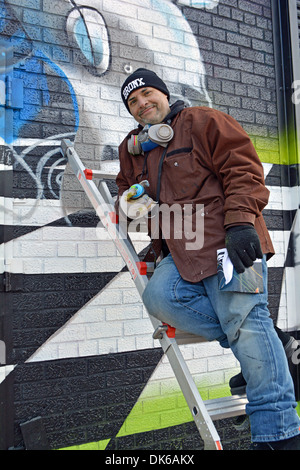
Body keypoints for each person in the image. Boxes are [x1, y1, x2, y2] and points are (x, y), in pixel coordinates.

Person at [116, 68, 300, 450]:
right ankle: (273, 342)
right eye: (133, 102)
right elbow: (126, 191)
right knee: (160, 298)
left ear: (164, 95)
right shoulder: (131, 147)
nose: (142, 104)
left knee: (246, 324)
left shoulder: (202, 120)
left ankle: (278, 434)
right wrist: (131, 201)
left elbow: (244, 168)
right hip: (179, 250)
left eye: (147, 94)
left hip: (229, 240)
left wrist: (241, 224)